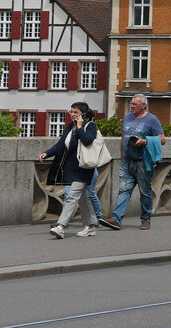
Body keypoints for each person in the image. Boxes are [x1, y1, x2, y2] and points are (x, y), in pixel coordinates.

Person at [99, 95, 165, 231]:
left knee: (145, 192)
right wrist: (122, 156)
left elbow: (162, 139)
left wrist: (145, 141)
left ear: (143, 106)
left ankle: (146, 219)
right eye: (131, 103)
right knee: (124, 190)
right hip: (127, 161)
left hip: (143, 162)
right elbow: (123, 137)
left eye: (135, 104)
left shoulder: (152, 119)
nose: (132, 106)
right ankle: (116, 219)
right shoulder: (127, 117)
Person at [39, 102, 100, 239]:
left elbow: (88, 141)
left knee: (72, 196)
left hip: (84, 167)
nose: (72, 114)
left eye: (75, 112)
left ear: (83, 114)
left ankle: (61, 226)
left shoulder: (90, 126)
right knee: (83, 197)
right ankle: (90, 226)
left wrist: (79, 128)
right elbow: (61, 145)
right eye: (71, 111)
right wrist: (47, 153)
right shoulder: (69, 127)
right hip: (73, 168)